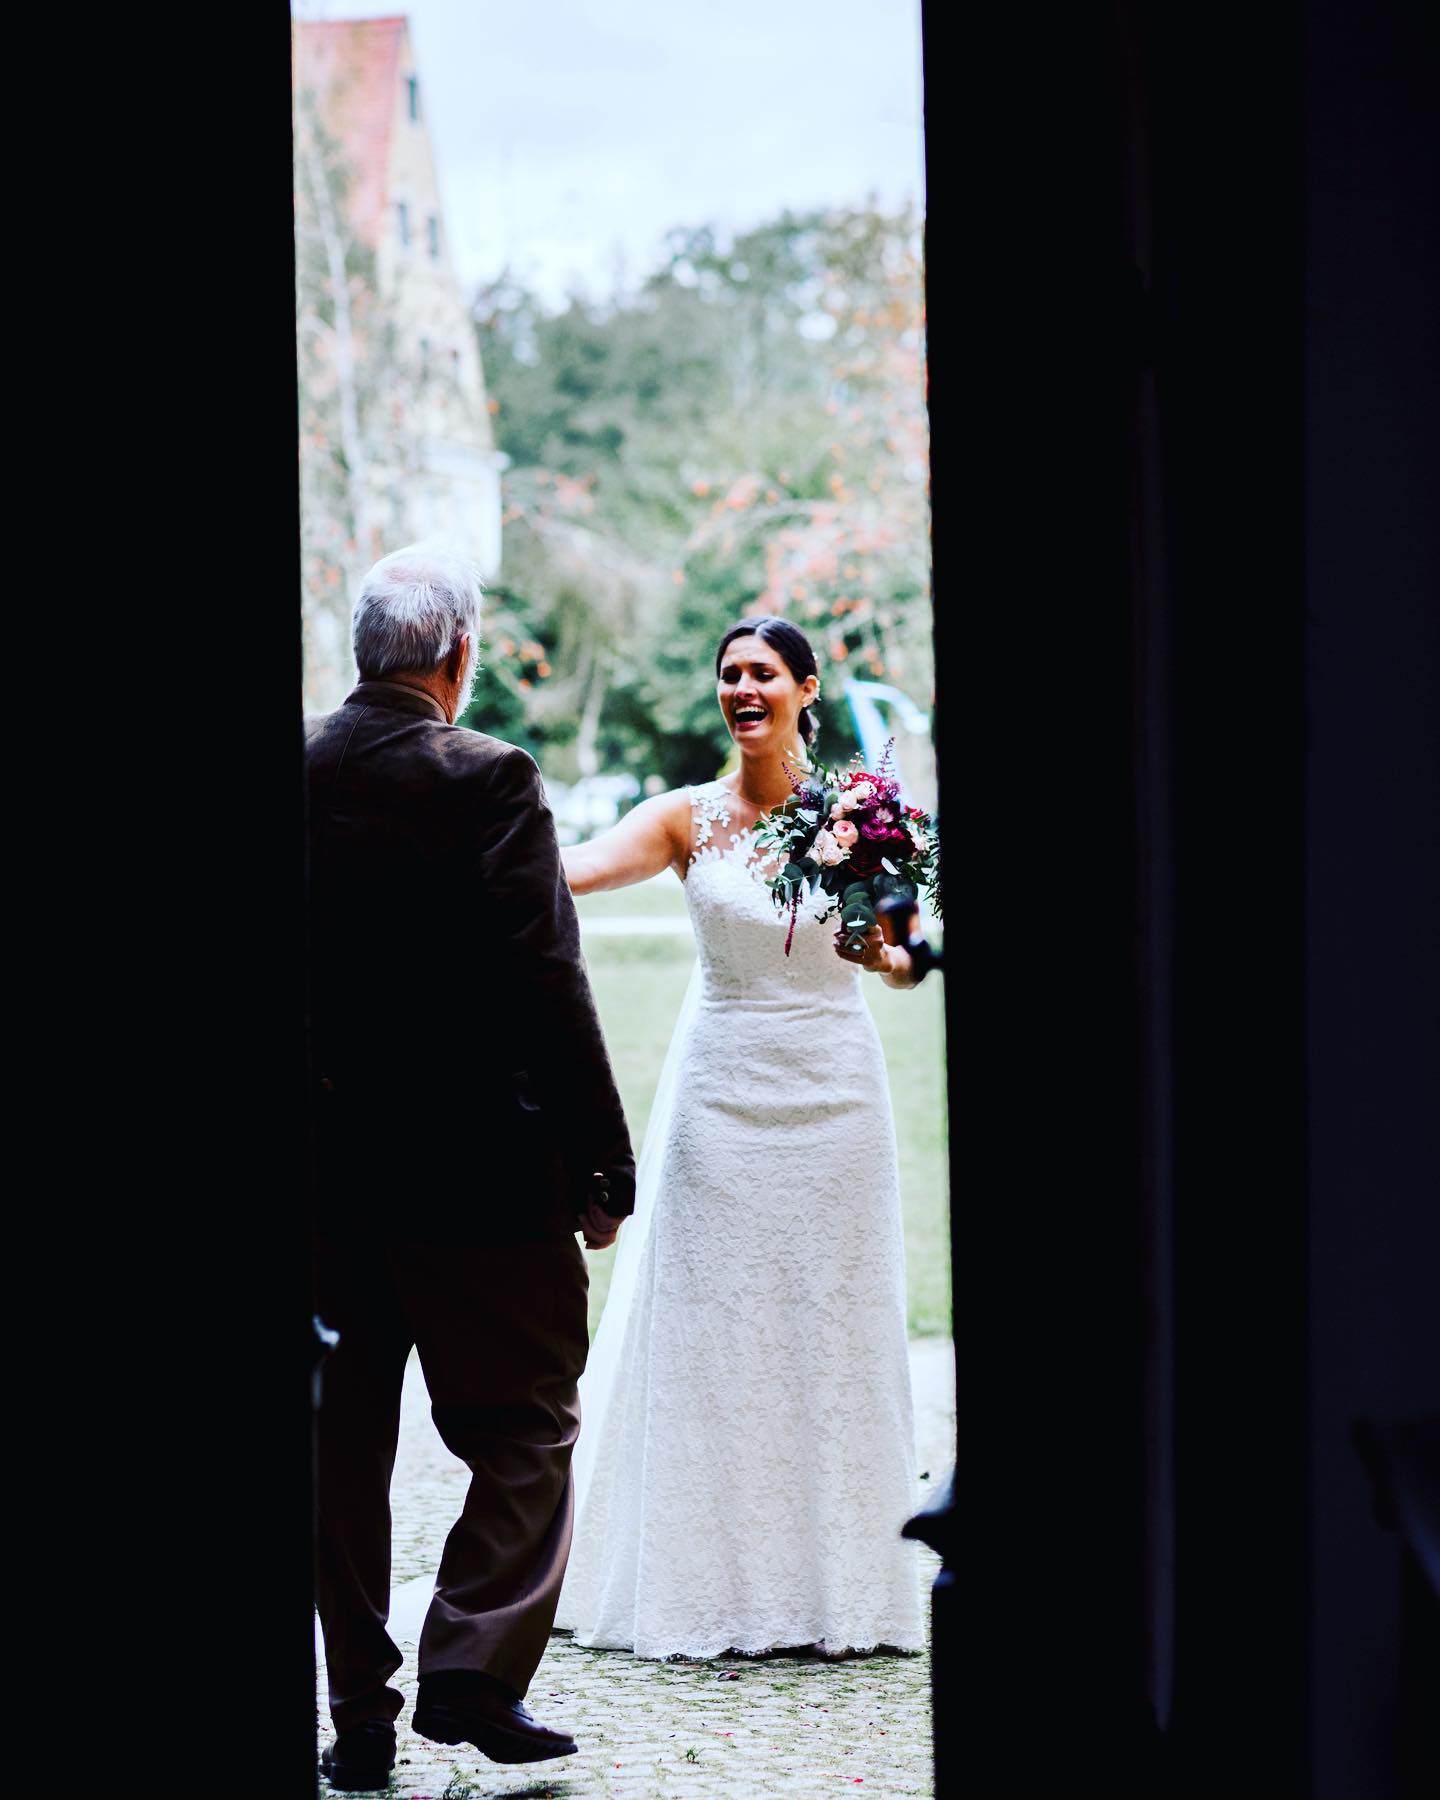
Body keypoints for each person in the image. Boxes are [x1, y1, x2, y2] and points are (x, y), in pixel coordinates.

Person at [306, 544, 635, 1789]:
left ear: (363, 655)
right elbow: (545, 977)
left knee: (337, 1454)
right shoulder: (486, 775)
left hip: (323, 1180)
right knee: (529, 1419)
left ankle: (355, 1721)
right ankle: (470, 1667)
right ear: (459, 656)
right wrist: (601, 1165)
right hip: (477, 1177)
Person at [553, 616, 926, 1661]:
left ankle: (842, 1589)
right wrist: (471, 826)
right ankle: (704, 1580)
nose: (742, 689)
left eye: (763, 674)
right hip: (720, 1097)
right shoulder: (684, 818)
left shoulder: (863, 812)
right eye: (728, 676)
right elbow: (574, 869)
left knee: (830, 1316)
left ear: (806, 689)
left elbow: (893, 959)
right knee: (718, 1319)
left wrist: (882, 948)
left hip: (839, 1096)